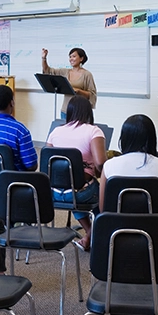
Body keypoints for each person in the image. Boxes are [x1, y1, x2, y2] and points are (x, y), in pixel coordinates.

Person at [99, 114, 158, 241]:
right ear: (152, 139)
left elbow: (103, 208)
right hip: (153, 229)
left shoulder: (109, 166)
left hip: (115, 228)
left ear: (123, 139)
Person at [46, 95, 106, 250]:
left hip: (54, 193)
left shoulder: (55, 131)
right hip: (80, 193)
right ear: (88, 112)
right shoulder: (94, 131)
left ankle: (89, 234)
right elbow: (100, 162)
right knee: (106, 195)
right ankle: (95, 233)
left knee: (72, 190)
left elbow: (47, 163)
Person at [41, 47, 97, 118]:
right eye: (70, 57)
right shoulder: (65, 72)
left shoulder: (87, 74)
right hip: (65, 111)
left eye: (74, 56)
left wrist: (79, 91)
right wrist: (44, 58)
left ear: (81, 58)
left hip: (80, 112)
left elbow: (92, 94)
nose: (71, 59)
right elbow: (47, 71)